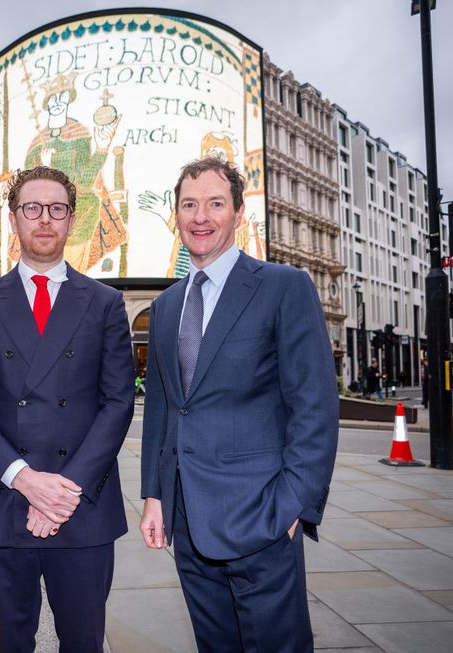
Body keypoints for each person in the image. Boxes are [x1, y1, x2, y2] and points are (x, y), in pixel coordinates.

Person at [139, 157, 338, 652]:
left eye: (214, 204)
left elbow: (314, 406)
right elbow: (163, 412)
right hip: (187, 521)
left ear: (238, 212)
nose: (201, 217)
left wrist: (292, 505)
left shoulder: (283, 287)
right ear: (176, 216)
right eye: (189, 205)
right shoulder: (165, 307)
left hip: (262, 518)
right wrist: (155, 496)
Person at [0, 166, 135, 653]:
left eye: (57, 208)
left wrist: (63, 493)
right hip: (8, 501)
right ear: (14, 219)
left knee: (84, 643)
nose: (45, 219)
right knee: (10, 642)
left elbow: (118, 403)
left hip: (82, 506)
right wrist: (26, 480)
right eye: (32, 208)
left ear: (72, 219)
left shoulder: (105, 303)